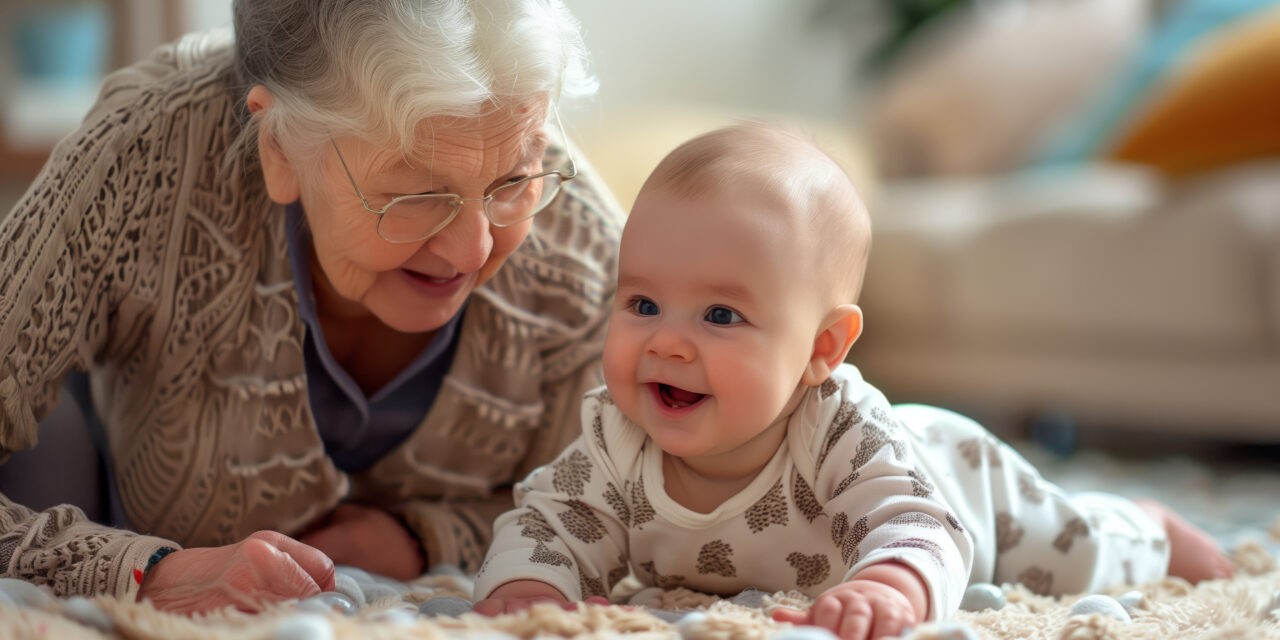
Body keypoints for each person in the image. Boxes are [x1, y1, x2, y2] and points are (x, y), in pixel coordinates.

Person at [470, 123, 1234, 639]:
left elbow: (922, 524)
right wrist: (528, 587)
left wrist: (892, 587)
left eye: (721, 316)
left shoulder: (839, 429)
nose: (666, 342)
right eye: (642, 304)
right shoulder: (617, 435)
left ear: (821, 347)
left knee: (1069, 555)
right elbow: (548, 521)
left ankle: (1147, 525)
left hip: (963, 483)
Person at [0, 0, 623, 615]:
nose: (476, 247)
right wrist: (143, 571)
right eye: (416, 193)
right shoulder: (142, 155)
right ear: (278, 144)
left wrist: (427, 536)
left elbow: (652, 510)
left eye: (513, 180)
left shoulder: (585, 254)